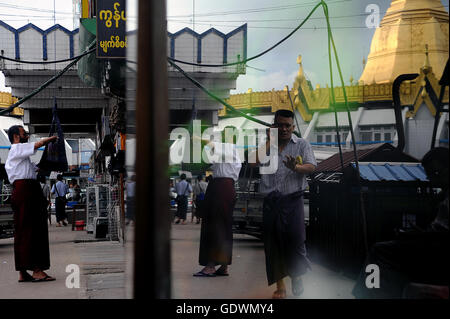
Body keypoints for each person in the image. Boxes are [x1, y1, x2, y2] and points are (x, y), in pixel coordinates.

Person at [352, 147, 449, 299]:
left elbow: (440, 234)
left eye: (437, 173)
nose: (434, 180)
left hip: (438, 250)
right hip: (433, 244)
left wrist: (417, 236)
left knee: (379, 251)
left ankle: (369, 293)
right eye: (430, 175)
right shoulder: (442, 195)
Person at [251, 109, 316, 298]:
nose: (284, 129)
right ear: (274, 126)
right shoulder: (266, 147)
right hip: (271, 202)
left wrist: (295, 167)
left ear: (293, 127)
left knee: (296, 241)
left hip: (293, 200)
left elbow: (311, 166)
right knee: (273, 245)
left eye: (288, 125)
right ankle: (280, 287)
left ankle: (296, 276)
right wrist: (271, 139)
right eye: (280, 125)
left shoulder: (301, 144)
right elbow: (253, 162)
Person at [5, 125, 57, 282]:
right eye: (23, 133)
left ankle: (23, 271)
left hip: (26, 191)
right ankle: (37, 270)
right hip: (25, 191)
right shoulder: (16, 149)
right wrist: (51, 139)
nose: (26, 135)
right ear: (16, 137)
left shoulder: (22, 157)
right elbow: (37, 145)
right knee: (34, 230)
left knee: (23, 230)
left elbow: (36, 169)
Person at [193, 126, 242, 277]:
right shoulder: (228, 151)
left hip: (221, 188)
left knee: (214, 226)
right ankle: (224, 265)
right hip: (223, 188)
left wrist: (198, 139)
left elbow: (211, 146)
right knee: (223, 226)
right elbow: (210, 162)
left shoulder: (228, 147)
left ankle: (211, 265)